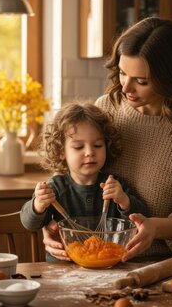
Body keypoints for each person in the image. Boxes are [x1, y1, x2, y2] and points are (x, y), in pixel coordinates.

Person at [42, 17, 172, 262]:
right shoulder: (107, 108)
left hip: (165, 264)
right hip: (103, 263)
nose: (126, 87)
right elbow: (75, 176)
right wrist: (51, 222)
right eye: (123, 73)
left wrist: (156, 227)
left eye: (141, 81)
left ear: (170, 78)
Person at [20, 102, 148, 260]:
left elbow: (143, 218)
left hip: (108, 264)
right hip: (64, 268)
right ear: (61, 151)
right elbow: (29, 223)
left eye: (97, 145)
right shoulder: (56, 188)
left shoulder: (114, 185)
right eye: (79, 147)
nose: (89, 152)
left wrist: (124, 201)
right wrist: (37, 206)